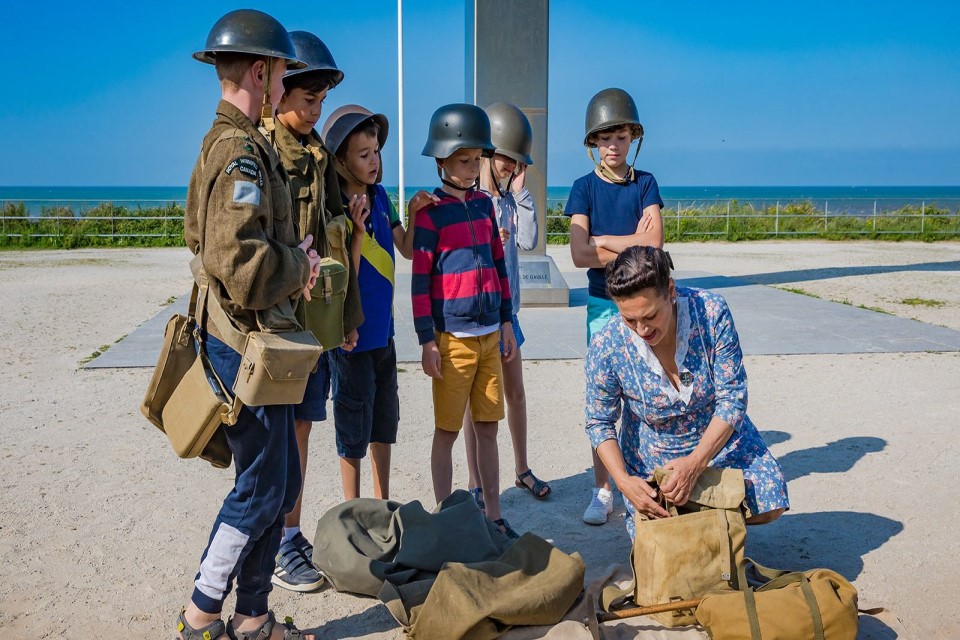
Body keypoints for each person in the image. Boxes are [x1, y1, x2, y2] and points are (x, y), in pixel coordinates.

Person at [178, 10, 319, 640]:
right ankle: (202, 614)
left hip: (256, 342)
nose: (286, 81)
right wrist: (300, 265)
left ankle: (253, 617)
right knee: (262, 488)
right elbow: (237, 262)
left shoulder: (235, 143)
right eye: (283, 70)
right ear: (261, 73)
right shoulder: (238, 151)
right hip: (244, 344)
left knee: (275, 479)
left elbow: (198, 236)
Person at [585, 246, 789, 540]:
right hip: (653, 458)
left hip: (718, 444)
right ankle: (709, 526)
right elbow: (598, 422)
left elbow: (733, 398)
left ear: (669, 290)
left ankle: (714, 524)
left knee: (770, 499)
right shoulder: (607, 344)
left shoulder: (711, 312)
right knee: (667, 542)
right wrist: (624, 482)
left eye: (650, 315)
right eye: (630, 319)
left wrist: (696, 463)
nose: (641, 329)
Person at [270, 29, 365, 593]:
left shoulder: (320, 159)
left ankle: (288, 535)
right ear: (280, 93)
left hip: (313, 325)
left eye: (321, 101)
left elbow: (336, 244)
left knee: (303, 427)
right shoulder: (264, 155)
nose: (315, 111)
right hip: (277, 324)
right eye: (308, 100)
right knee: (277, 435)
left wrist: (347, 318)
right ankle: (277, 541)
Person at [411, 103, 519, 538]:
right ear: (441, 160)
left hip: (491, 334)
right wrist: (426, 340)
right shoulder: (430, 213)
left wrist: (507, 320)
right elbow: (420, 283)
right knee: (447, 431)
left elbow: (499, 266)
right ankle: (446, 516)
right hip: (451, 338)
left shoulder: (484, 206)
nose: (473, 168)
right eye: (463, 159)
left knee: (489, 428)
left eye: (477, 159)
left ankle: (493, 513)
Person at [564, 87, 665, 525]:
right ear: (593, 143)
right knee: (604, 397)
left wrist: (604, 240)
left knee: (651, 391)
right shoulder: (582, 188)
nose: (612, 146)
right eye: (605, 138)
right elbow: (578, 254)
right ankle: (603, 487)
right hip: (603, 305)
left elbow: (656, 243)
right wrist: (631, 244)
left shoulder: (646, 183)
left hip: (646, 302)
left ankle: (646, 478)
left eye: (620, 137)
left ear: (632, 139)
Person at [319, 104, 420, 502]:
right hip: (351, 337)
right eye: (364, 155)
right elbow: (346, 275)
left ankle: (380, 503)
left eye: (376, 151)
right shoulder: (335, 209)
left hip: (384, 334)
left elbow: (407, 250)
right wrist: (357, 233)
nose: (374, 161)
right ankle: (353, 508)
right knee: (352, 426)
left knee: (383, 422)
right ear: (341, 161)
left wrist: (412, 213)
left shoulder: (381, 198)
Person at [462, 102, 549, 510]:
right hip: (480, 311)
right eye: (503, 157)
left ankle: (522, 466)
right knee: (473, 401)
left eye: (515, 160)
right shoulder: (474, 199)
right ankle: (475, 480)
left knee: (515, 392)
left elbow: (530, 240)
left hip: (508, 313)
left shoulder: (512, 201)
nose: (509, 166)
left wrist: (521, 193)